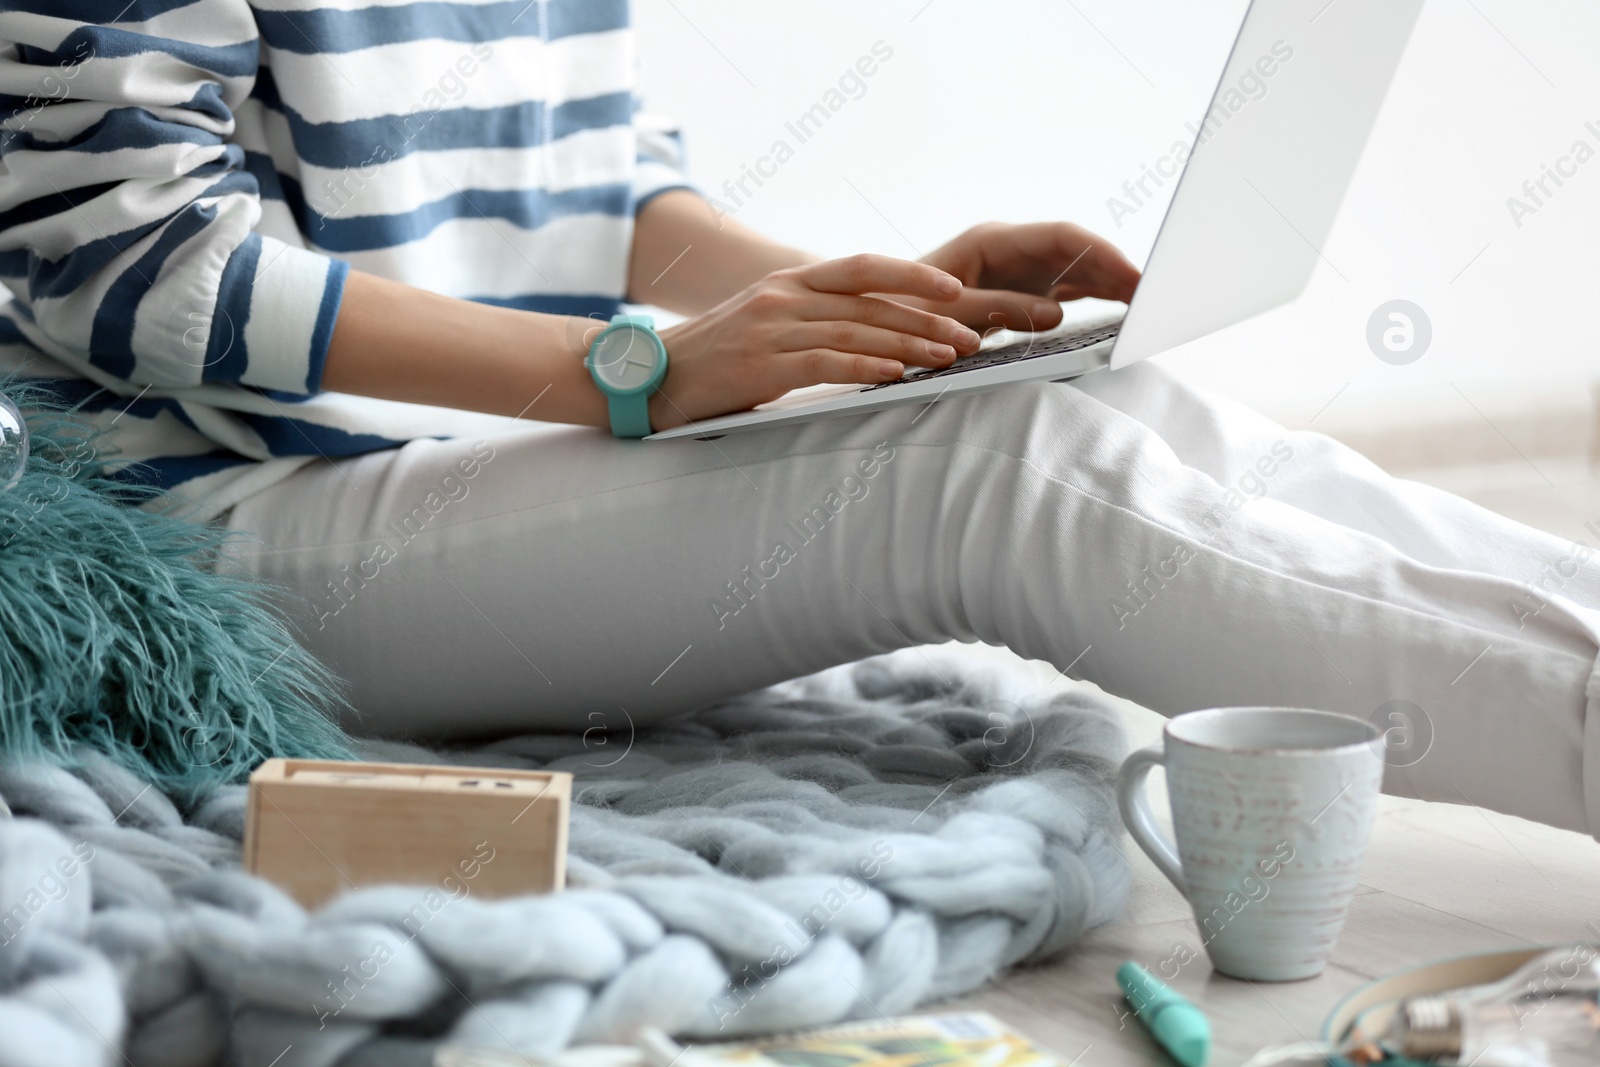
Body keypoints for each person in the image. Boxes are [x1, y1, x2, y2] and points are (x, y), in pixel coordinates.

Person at [3, 3, 1599, 839]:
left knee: (1103, 399)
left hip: (452, 462)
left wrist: (870, 305)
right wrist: (639, 374)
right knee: (996, 481)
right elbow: (124, 270)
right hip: (209, 542)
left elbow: (608, 193)